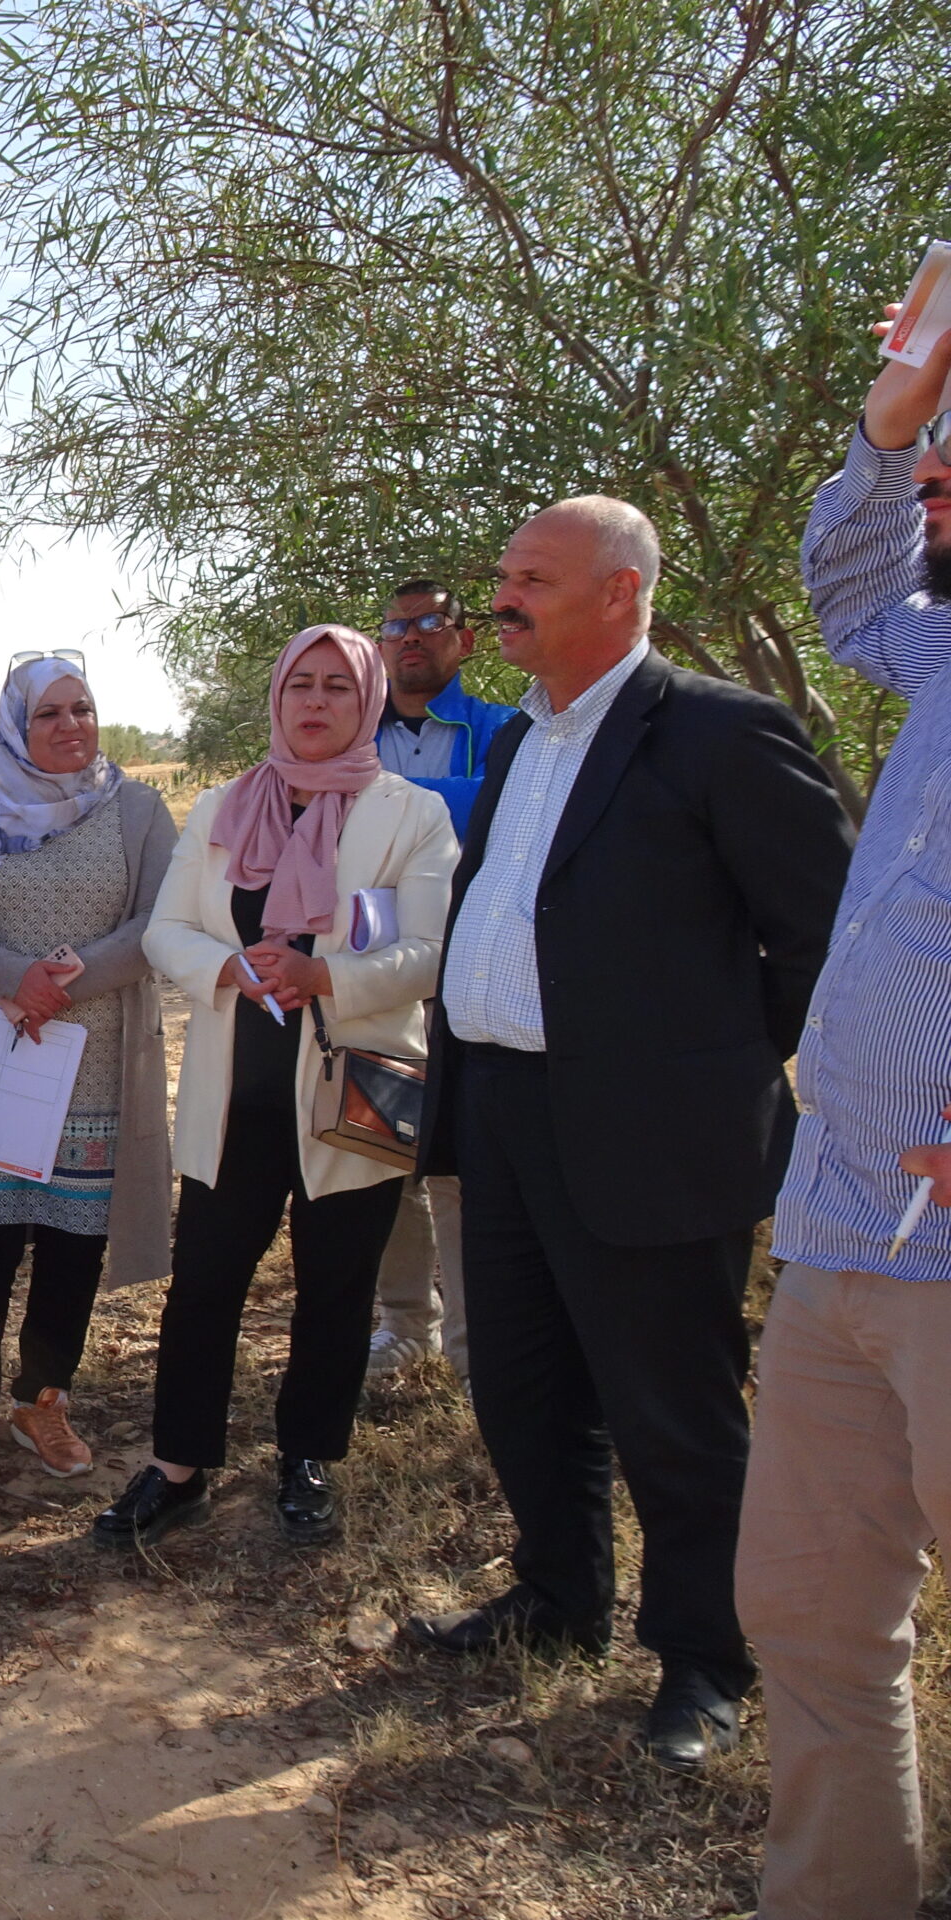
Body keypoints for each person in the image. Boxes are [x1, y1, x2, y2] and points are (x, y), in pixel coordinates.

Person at [403, 497, 851, 1772]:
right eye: (504, 571)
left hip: (654, 1134)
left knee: (676, 1411)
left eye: (531, 576)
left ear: (620, 592)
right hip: (505, 1112)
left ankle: (706, 1659)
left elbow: (816, 940)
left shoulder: (716, 730)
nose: (503, 596)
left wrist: (702, 1067)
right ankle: (556, 1604)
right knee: (525, 1388)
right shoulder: (523, 742)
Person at [736, 304, 951, 1915]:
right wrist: (906, 388)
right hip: (845, 1217)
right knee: (811, 1622)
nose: (936, 481)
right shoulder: (938, 648)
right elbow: (850, 580)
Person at [99, 626, 454, 1550]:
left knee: (337, 1287)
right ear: (277, 696)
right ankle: (179, 1467)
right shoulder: (223, 807)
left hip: (361, 1087)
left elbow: (428, 952)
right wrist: (231, 967)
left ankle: (307, 1458)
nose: (316, 701)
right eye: (301, 682)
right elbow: (167, 930)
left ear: (367, 699)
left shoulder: (411, 815)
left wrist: (322, 976)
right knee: (206, 1285)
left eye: (339, 685)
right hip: (235, 1095)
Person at [0, 653, 176, 1509]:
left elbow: (161, 923)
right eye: (50, 713)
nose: (71, 726)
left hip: (95, 1079)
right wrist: (11, 976)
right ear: (19, 725)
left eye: (84, 709)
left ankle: (41, 1404)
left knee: (69, 1258)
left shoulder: (136, 812)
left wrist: (67, 979)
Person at [365, 580, 519, 1385]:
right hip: (372, 979)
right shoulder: (357, 725)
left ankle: (473, 1349)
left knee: (461, 1170)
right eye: (396, 627)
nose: (411, 637)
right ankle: (403, 1326)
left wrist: (373, 801)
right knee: (381, 1152)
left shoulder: (501, 728)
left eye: (430, 623)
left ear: (465, 639)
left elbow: (499, 810)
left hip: (470, 978)